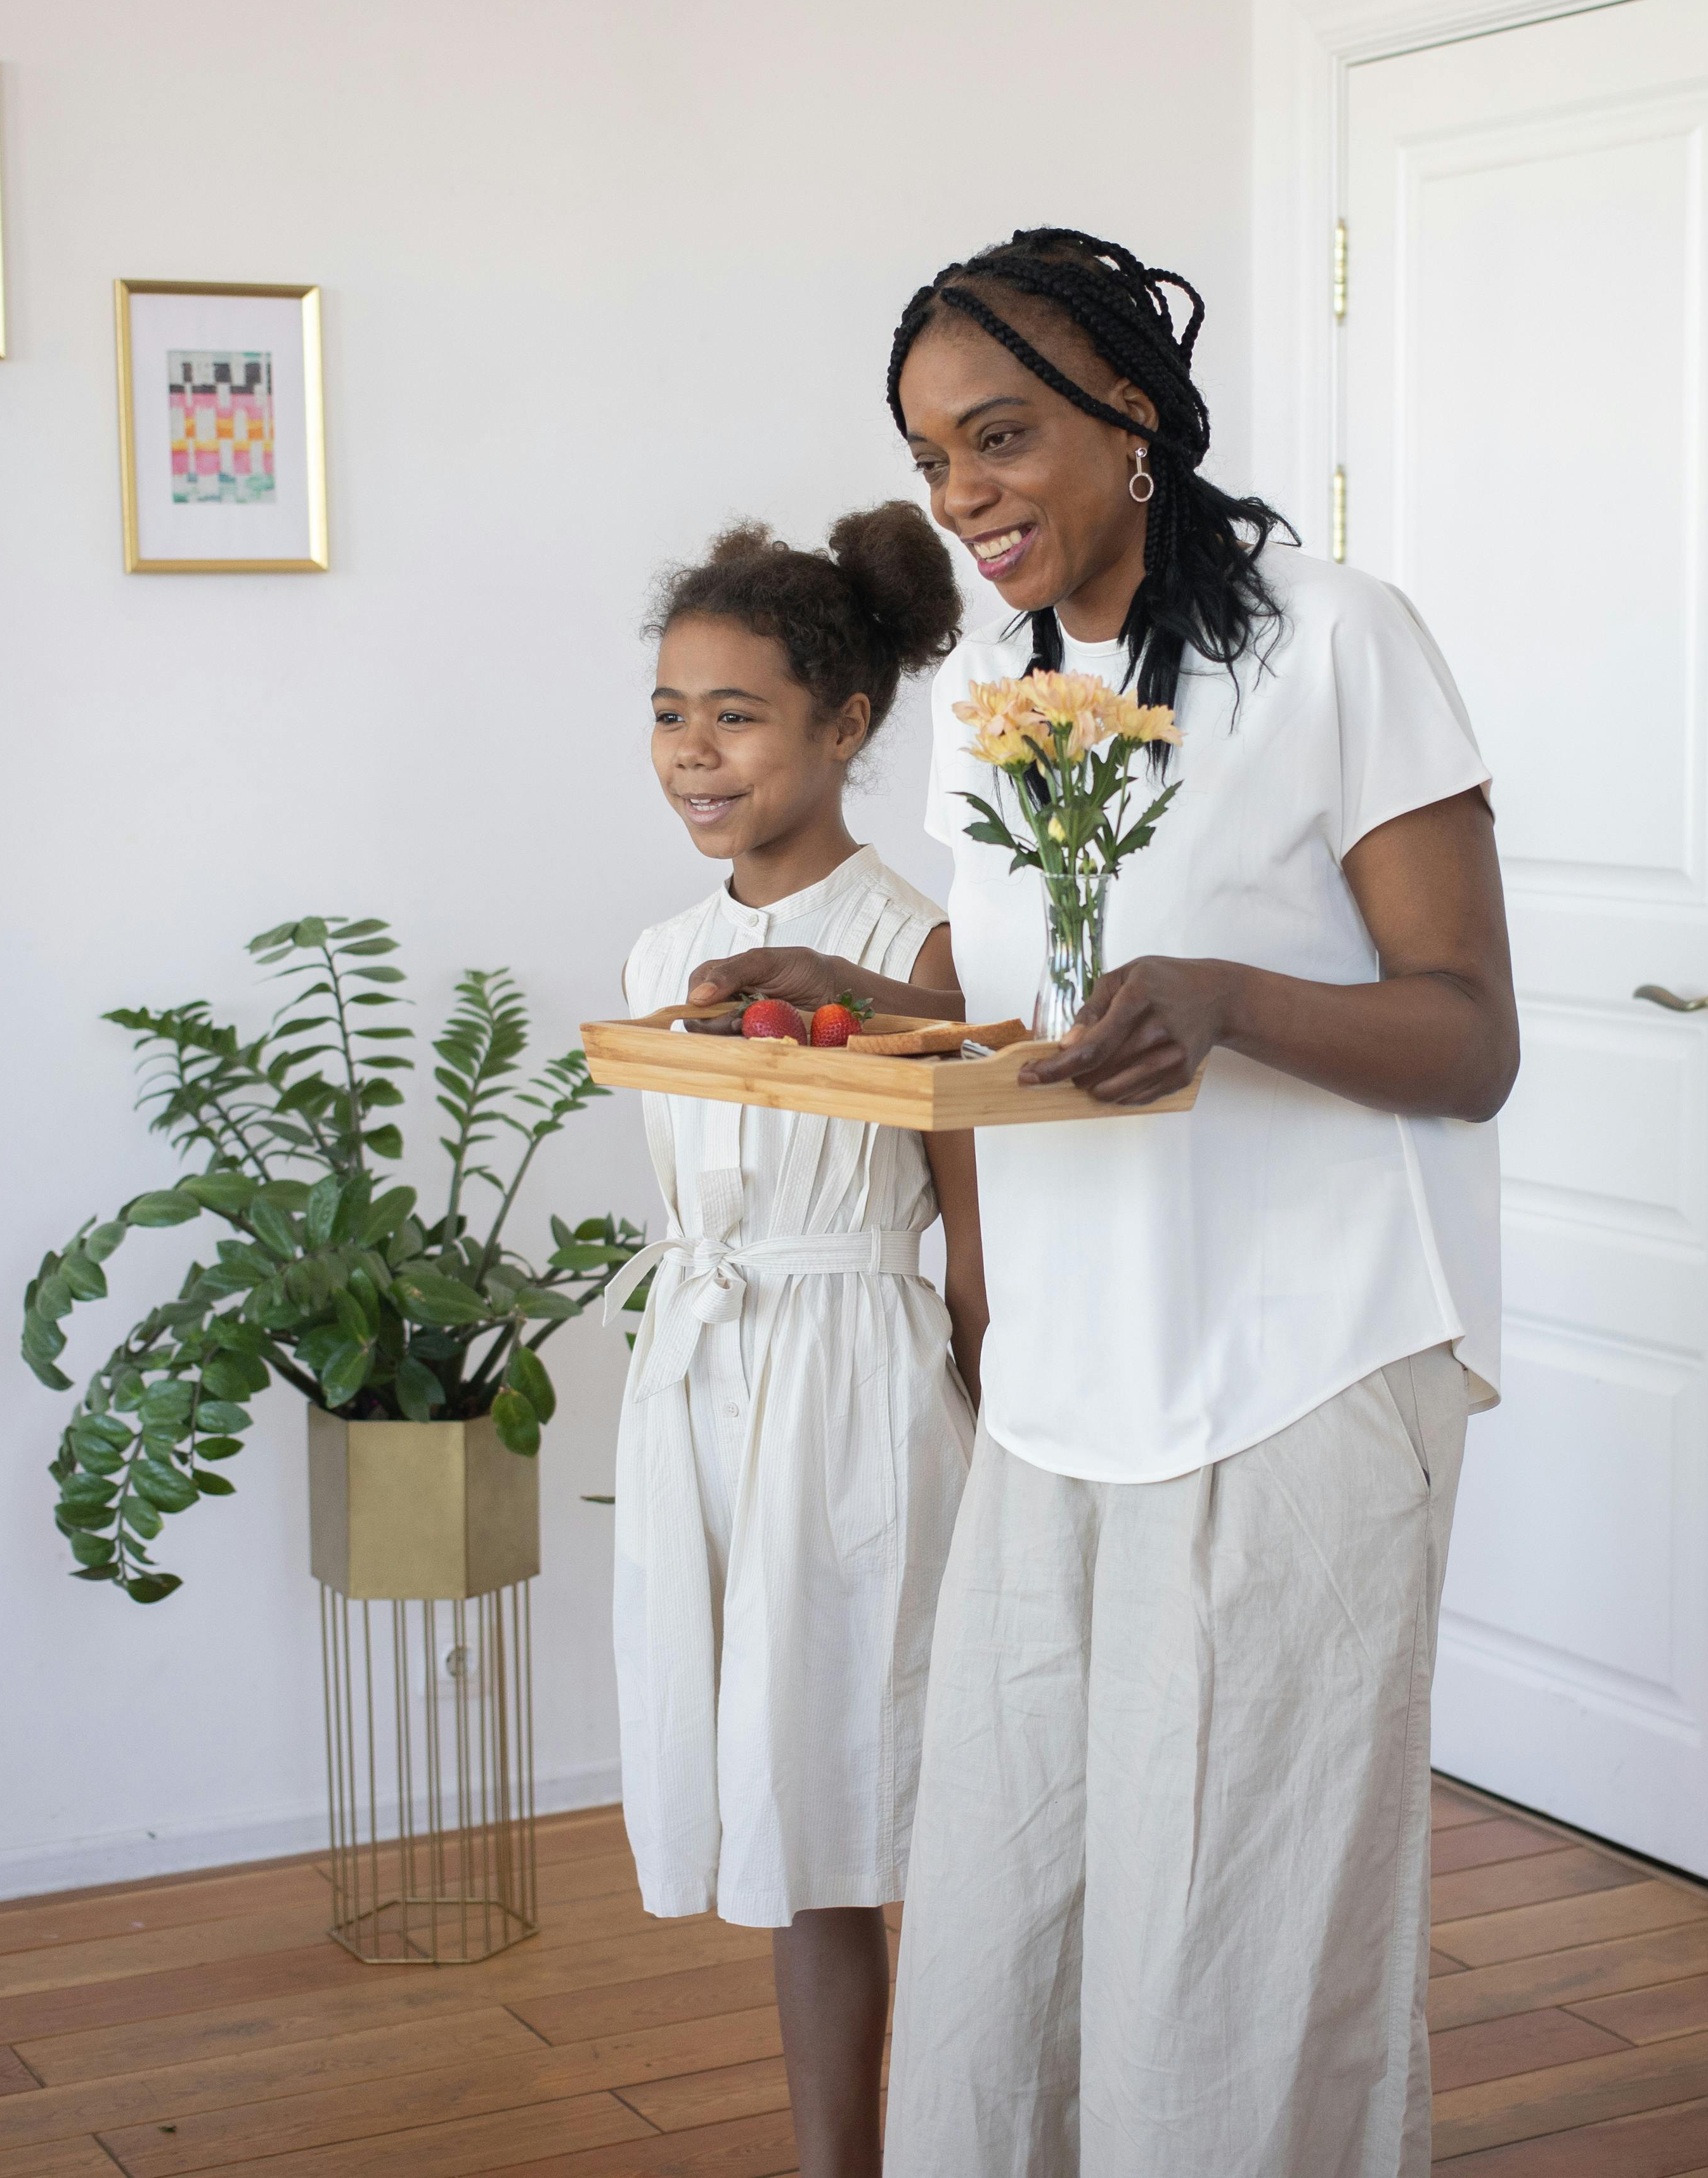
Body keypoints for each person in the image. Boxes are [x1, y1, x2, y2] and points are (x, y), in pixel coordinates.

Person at [691, 229, 1517, 2174]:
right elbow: (1024, 1017)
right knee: (1017, 1924)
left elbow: (1468, 1040)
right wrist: (848, 1002)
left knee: (1230, 1952)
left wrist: (1230, 1007)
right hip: (1065, 1386)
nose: (963, 495)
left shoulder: (1338, 641)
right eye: (929, 459)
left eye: (1001, 437)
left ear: (1133, 420)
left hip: (1300, 1375)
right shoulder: (1001, 679)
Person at [611, 509, 985, 2178]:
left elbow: (981, 1223)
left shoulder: (924, 948)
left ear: (844, 725)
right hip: (712, 1384)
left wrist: (997, 1414)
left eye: (738, 712)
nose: (695, 749)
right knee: (787, 1799)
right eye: (672, 709)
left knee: (870, 1791)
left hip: (857, 1400)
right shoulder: (657, 955)